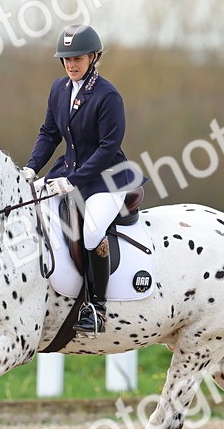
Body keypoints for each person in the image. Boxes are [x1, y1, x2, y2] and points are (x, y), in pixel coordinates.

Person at [23, 24, 144, 334]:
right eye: (66, 59)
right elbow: (49, 134)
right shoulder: (59, 89)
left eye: (77, 58)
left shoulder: (108, 96)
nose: (71, 65)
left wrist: (74, 180)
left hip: (106, 178)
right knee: (30, 207)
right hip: (69, 172)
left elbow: (107, 149)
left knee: (91, 233)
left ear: (93, 57)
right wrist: (31, 168)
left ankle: (96, 308)